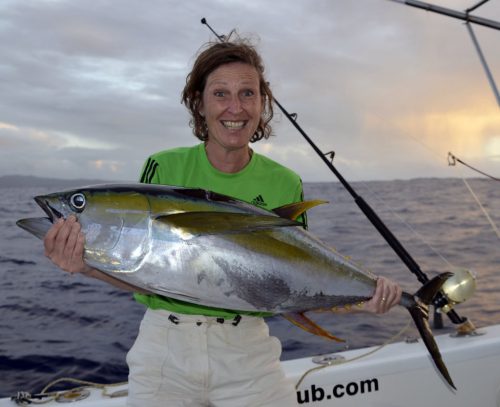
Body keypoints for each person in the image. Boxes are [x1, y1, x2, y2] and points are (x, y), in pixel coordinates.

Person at [43, 34, 402, 406]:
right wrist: (83, 266)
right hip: (167, 350)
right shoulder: (164, 167)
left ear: (263, 104)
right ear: (198, 104)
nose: (235, 107)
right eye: (220, 94)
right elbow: (147, 276)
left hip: (248, 353)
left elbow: (295, 280)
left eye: (248, 93)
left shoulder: (284, 182)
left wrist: (365, 297)